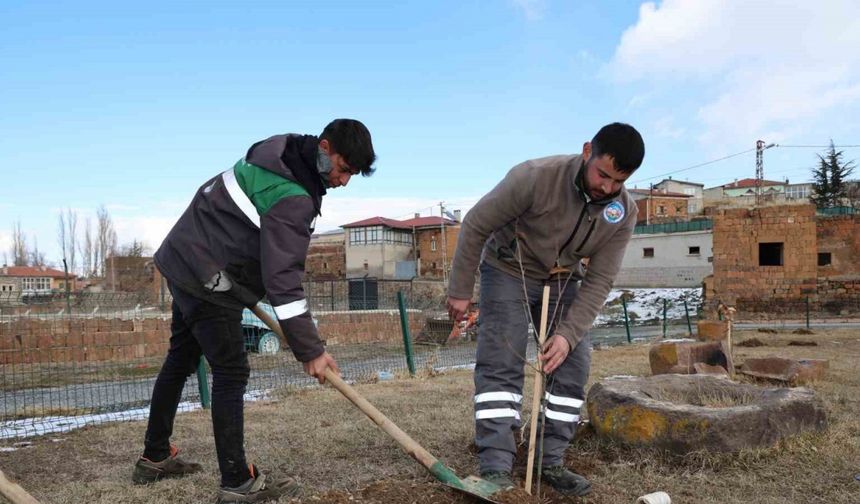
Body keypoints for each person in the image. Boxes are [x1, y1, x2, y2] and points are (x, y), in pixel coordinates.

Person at [132, 119, 376, 503]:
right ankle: (236, 482)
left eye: (353, 175)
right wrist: (310, 350)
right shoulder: (294, 195)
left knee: (180, 359)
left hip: (184, 258)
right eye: (345, 170)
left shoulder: (279, 152)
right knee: (231, 371)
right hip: (208, 278)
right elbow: (283, 280)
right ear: (325, 148)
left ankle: (155, 457)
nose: (344, 181)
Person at [446, 123, 644, 496]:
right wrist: (459, 290)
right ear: (587, 151)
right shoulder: (534, 177)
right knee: (502, 361)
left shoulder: (624, 211)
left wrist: (567, 337)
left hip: (563, 279)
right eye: (602, 174)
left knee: (572, 364)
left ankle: (549, 459)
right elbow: (475, 225)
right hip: (508, 269)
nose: (606, 187)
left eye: (618, 181)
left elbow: (600, 279)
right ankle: (496, 467)